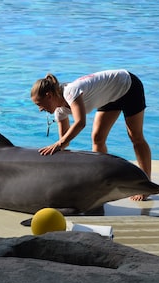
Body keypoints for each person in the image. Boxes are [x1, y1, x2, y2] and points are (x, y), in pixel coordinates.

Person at [30, 69, 152, 201]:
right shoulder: (59, 112)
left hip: (127, 85)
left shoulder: (70, 92)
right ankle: (103, 181)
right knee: (98, 138)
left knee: (135, 136)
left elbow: (80, 122)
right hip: (110, 97)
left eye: (39, 104)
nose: (40, 109)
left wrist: (58, 144)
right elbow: (65, 142)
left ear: (49, 95)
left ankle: (145, 185)